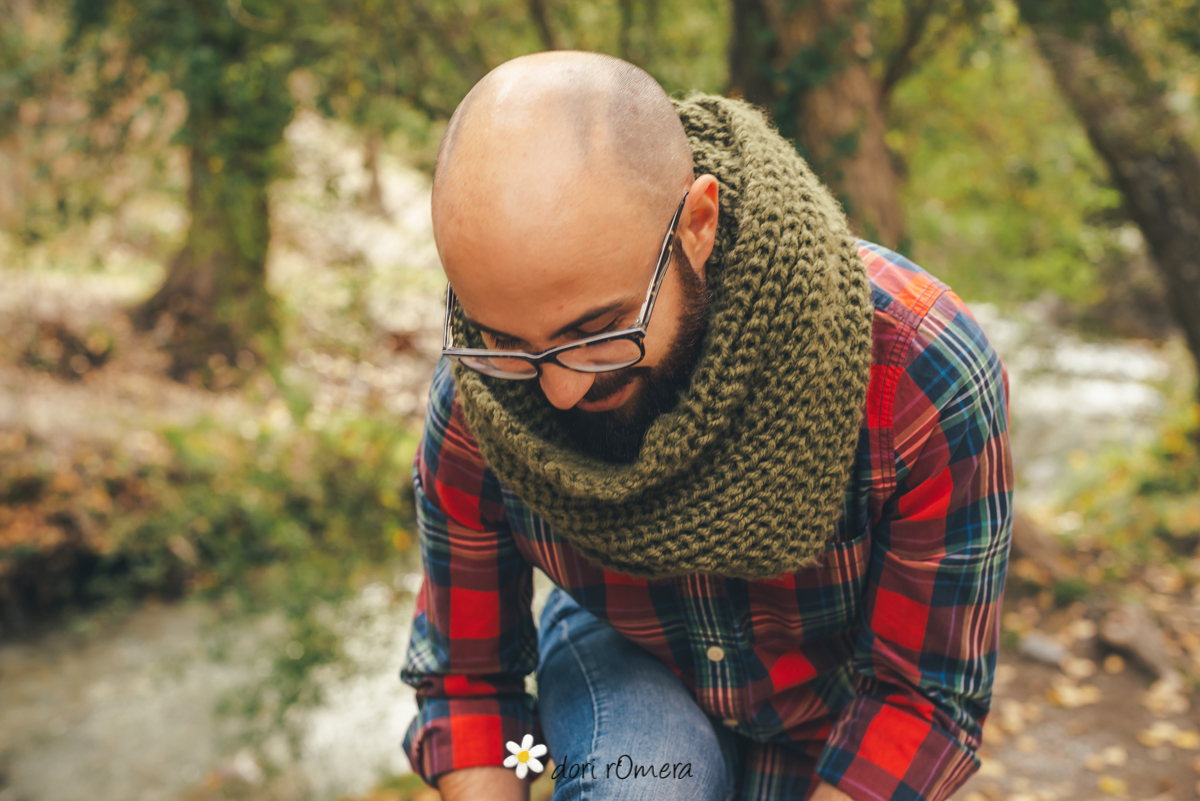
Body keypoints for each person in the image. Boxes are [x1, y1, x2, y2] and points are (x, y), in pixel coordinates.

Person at [400, 50, 1013, 801]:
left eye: (598, 331)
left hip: (835, 716)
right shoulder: (476, 398)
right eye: (509, 344)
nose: (556, 390)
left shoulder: (917, 373)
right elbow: (472, 681)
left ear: (698, 223)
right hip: (623, 671)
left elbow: (923, 699)